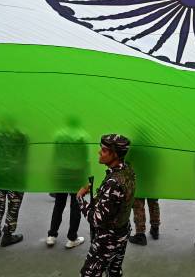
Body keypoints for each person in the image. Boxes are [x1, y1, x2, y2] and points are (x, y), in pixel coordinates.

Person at [77, 134, 136, 277]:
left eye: (103, 150)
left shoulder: (113, 182)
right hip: (122, 232)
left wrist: (80, 198)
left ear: (115, 154)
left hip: (108, 238)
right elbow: (118, 201)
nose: (99, 152)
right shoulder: (127, 170)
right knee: (114, 272)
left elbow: (96, 219)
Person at [46, 118, 89, 249]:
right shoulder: (82, 136)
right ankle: (72, 238)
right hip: (76, 173)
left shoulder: (59, 135)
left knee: (59, 204)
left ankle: (51, 236)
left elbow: (54, 155)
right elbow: (85, 158)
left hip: (61, 172)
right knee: (76, 206)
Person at [0, 122, 29, 247]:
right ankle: (7, 235)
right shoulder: (22, 136)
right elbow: (25, 157)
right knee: (13, 205)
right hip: (15, 176)